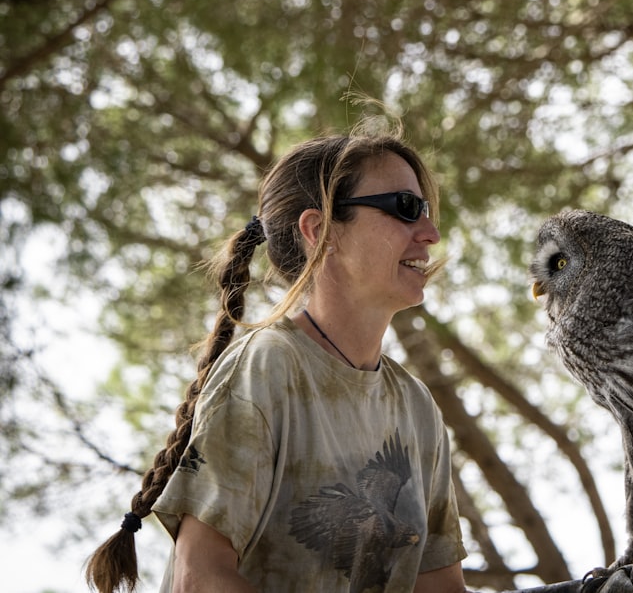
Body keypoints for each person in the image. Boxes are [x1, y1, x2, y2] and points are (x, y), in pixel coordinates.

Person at [85, 127, 468, 593]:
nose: (431, 234)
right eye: (406, 208)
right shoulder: (267, 367)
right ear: (320, 230)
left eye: (425, 211)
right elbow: (199, 579)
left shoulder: (417, 407)